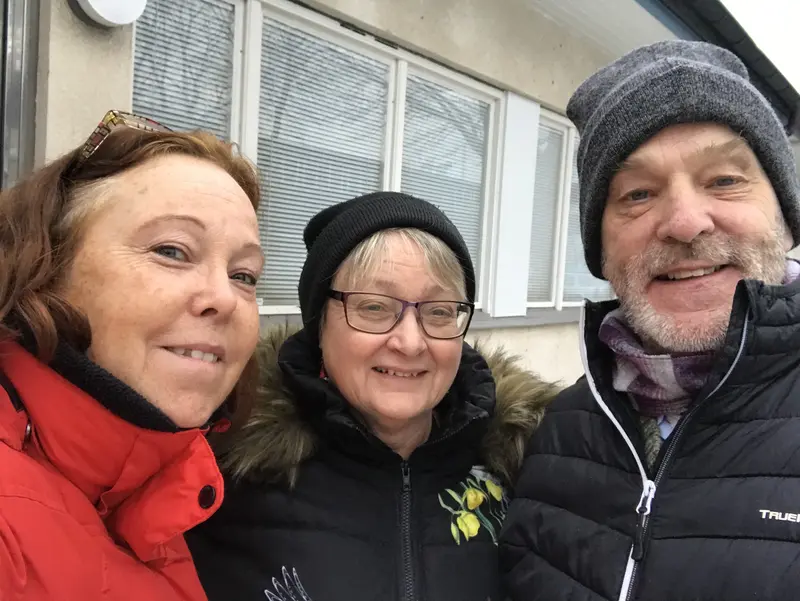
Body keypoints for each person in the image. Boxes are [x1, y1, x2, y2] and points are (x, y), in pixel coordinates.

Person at [500, 40, 800, 601]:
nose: (685, 222)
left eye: (724, 180)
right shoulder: (555, 434)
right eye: (638, 193)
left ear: (785, 219)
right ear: (602, 250)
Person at [186, 191, 559, 601]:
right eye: (375, 308)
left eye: (438, 311)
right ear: (319, 326)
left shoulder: (532, 467)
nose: (410, 342)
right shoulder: (218, 468)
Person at [0, 110, 264, 600]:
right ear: (46, 266)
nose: (225, 298)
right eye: (172, 251)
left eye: (243, 275)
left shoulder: (158, 487)